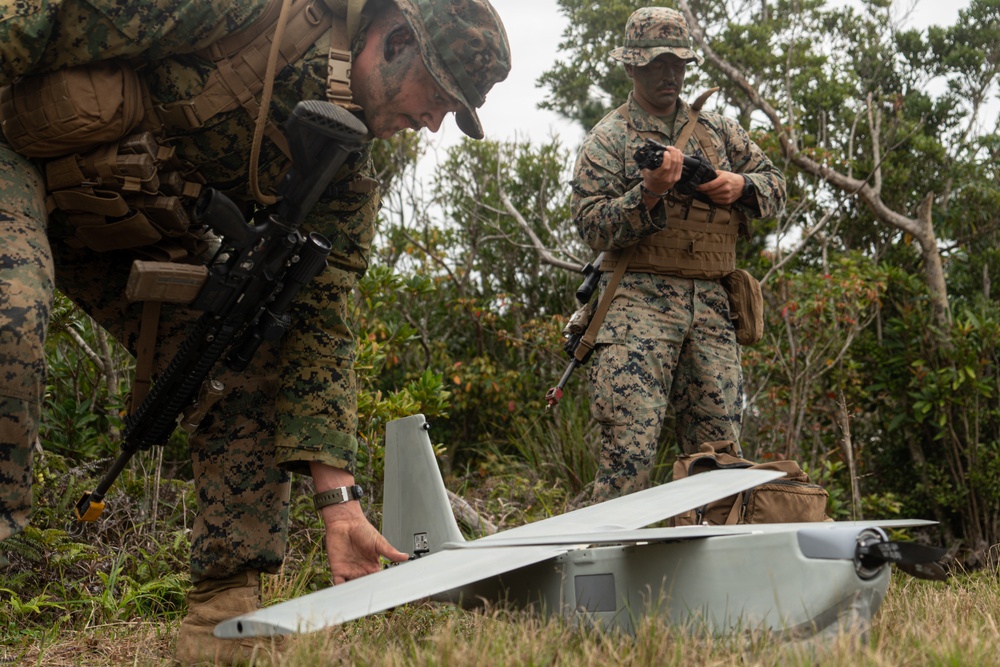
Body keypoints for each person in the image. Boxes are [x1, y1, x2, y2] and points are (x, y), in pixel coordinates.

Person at [0, 0, 510, 662]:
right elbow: (47, 14)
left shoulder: (346, 171)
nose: (435, 123)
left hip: (116, 221)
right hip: (22, 151)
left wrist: (341, 505)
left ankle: (222, 620)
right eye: (438, 95)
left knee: (242, 361)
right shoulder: (245, 13)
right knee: (11, 312)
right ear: (394, 43)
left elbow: (322, 320)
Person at [570, 7, 785, 502]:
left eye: (678, 64)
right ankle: (603, 568)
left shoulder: (720, 132)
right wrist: (644, 196)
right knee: (628, 458)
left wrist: (740, 185)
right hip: (636, 307)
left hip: (712, 305)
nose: (669, 74)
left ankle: (711, 569)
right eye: (656, 64)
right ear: (631, 67)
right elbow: (591, 226)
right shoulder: (609, 139)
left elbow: (775, 186)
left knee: (720, 460)